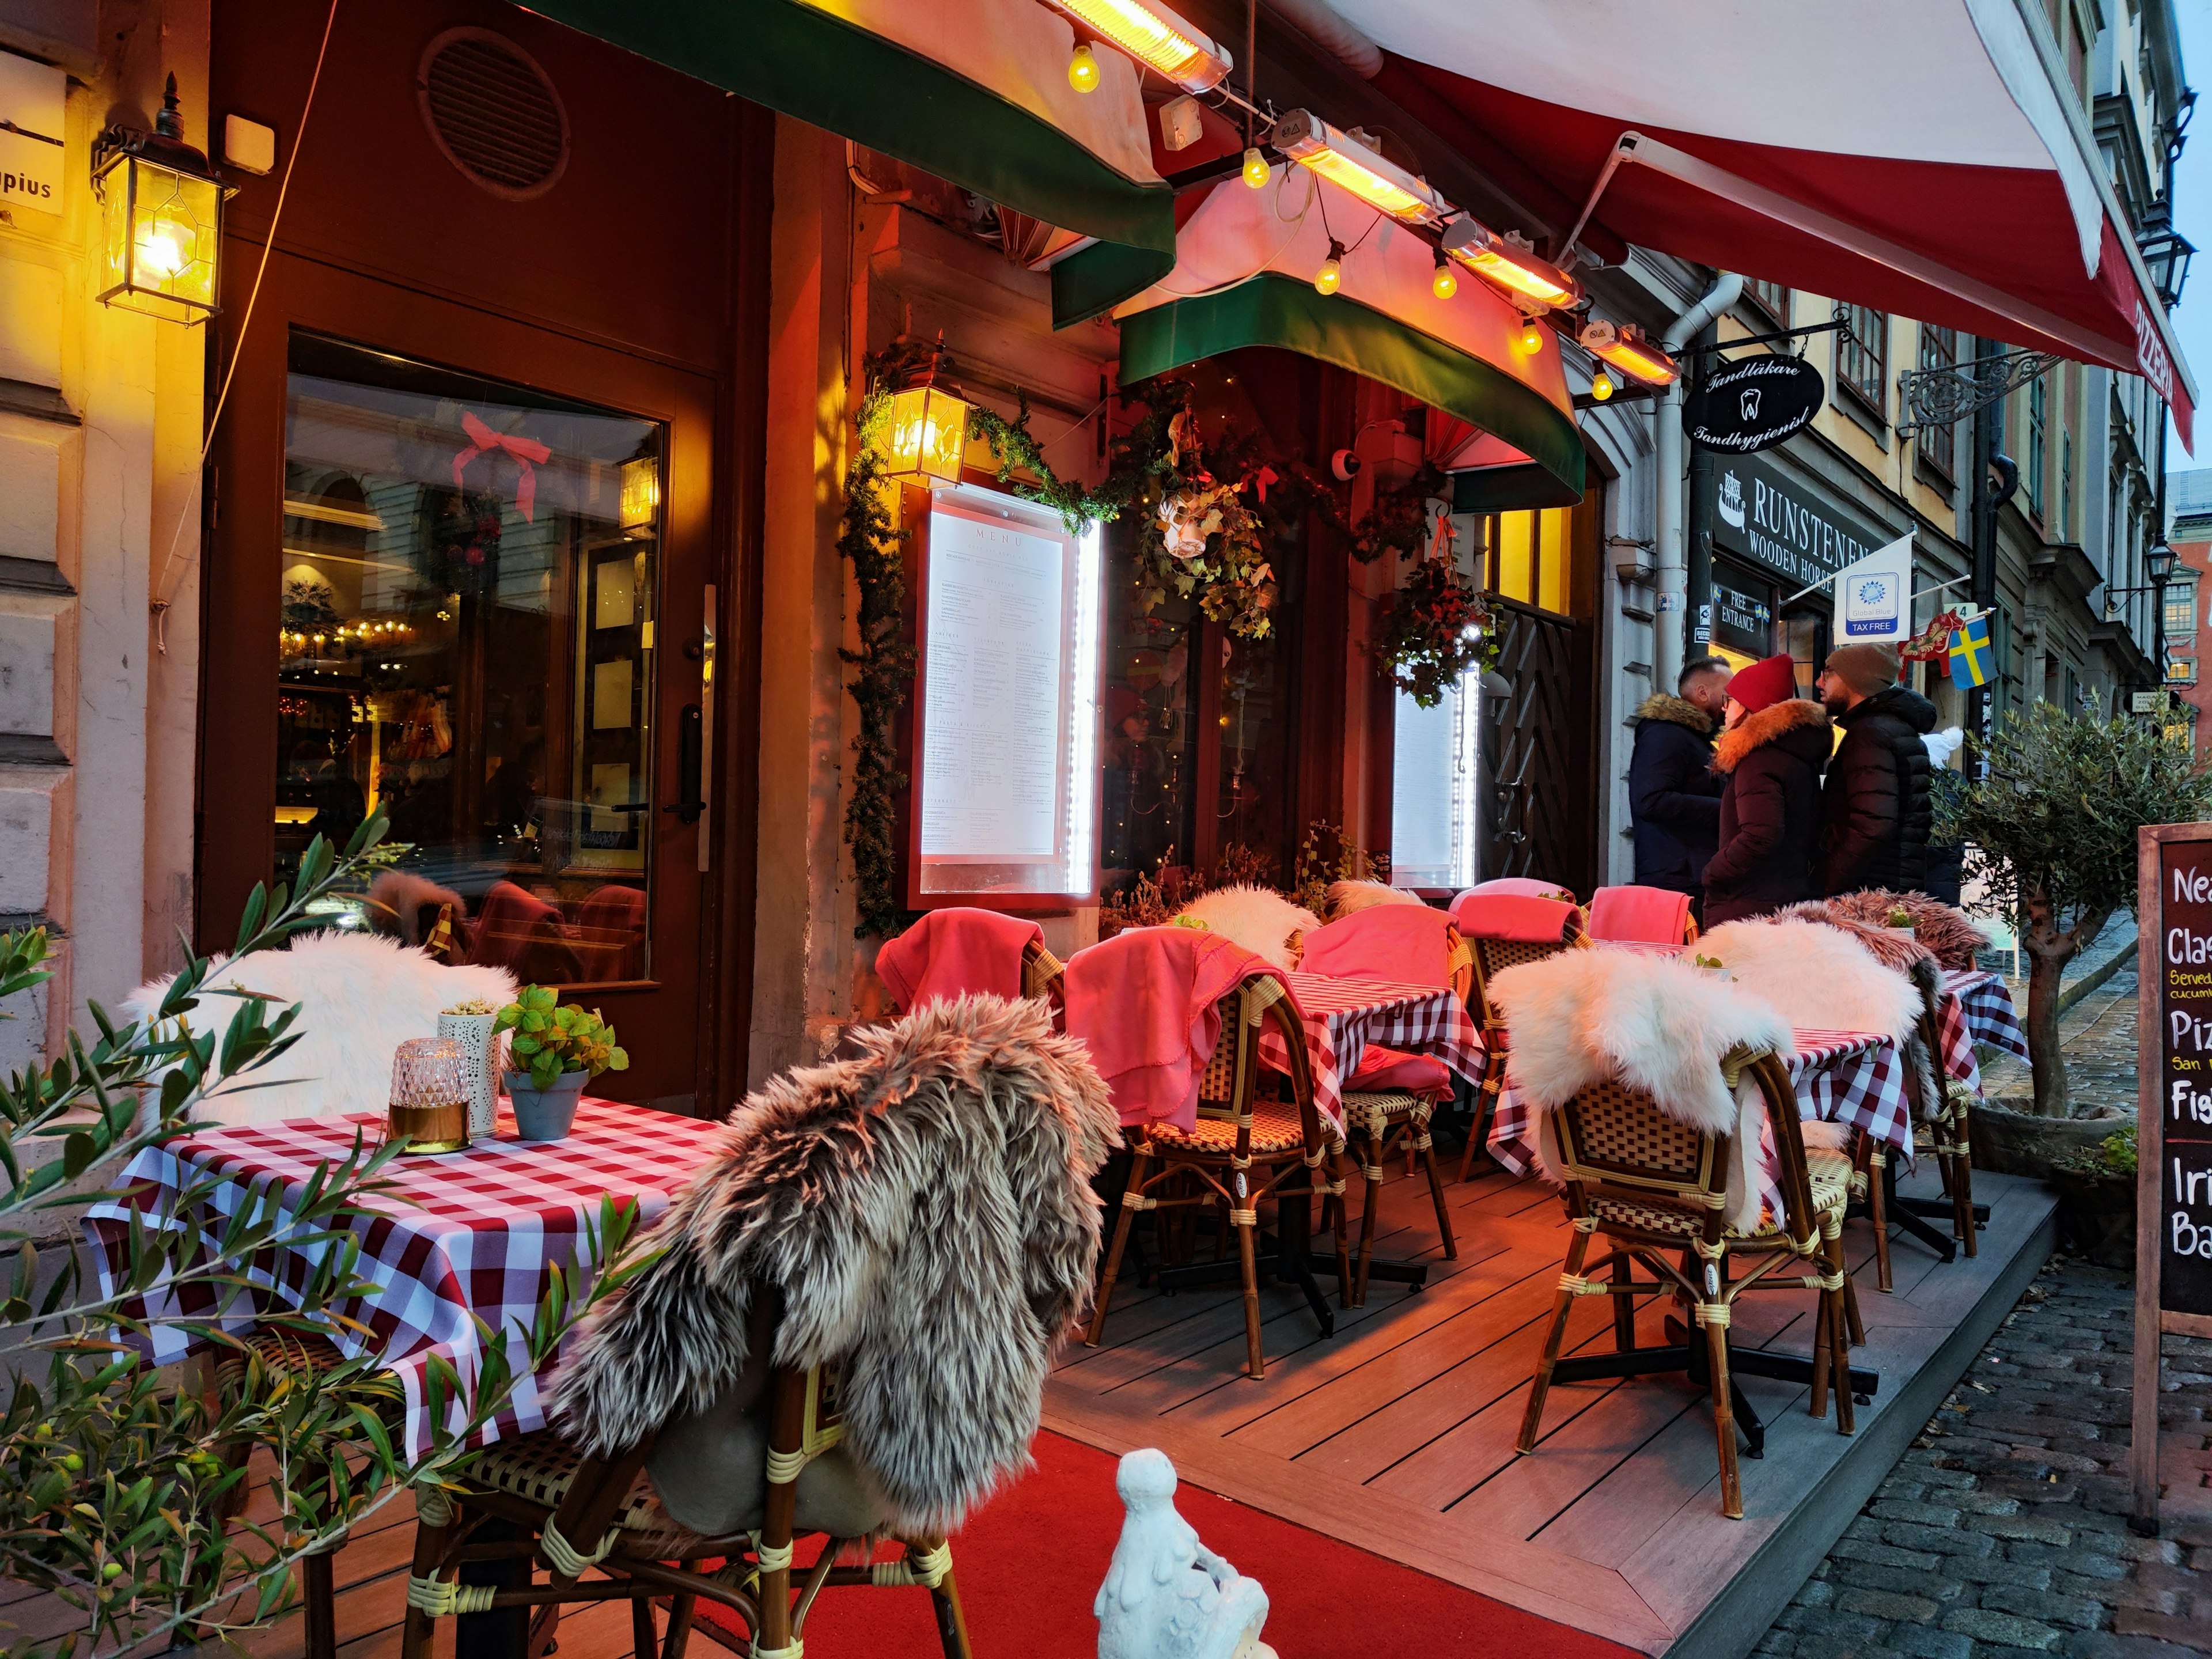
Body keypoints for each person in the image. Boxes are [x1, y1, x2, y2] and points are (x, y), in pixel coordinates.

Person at [1702, 653, 1834, 927]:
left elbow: (1761, 836)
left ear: (1751, 707)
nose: (1725, 709)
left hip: (1750, 905)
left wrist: (1713, 871)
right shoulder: (1796, 756)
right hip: (1786, 896)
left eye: (1731, 701)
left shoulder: (1757, 759)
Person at [1816, 642, 1937, 898]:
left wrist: (1829, 882)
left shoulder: (1870, 734)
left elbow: (1874, 824)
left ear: (1855, 680)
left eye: (1828, 673)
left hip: (1871, 894)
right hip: (1891, 886)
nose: (1819, 682)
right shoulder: (1891, 728)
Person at [1627, 655, 1732, 917]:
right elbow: (1650, 800)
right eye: (1726, 695)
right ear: (1702, 693)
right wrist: (1728, 810)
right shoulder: (1666, 733)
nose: (1729, 704)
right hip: (1678, 880)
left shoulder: (1692, 738)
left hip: (1689, 875)